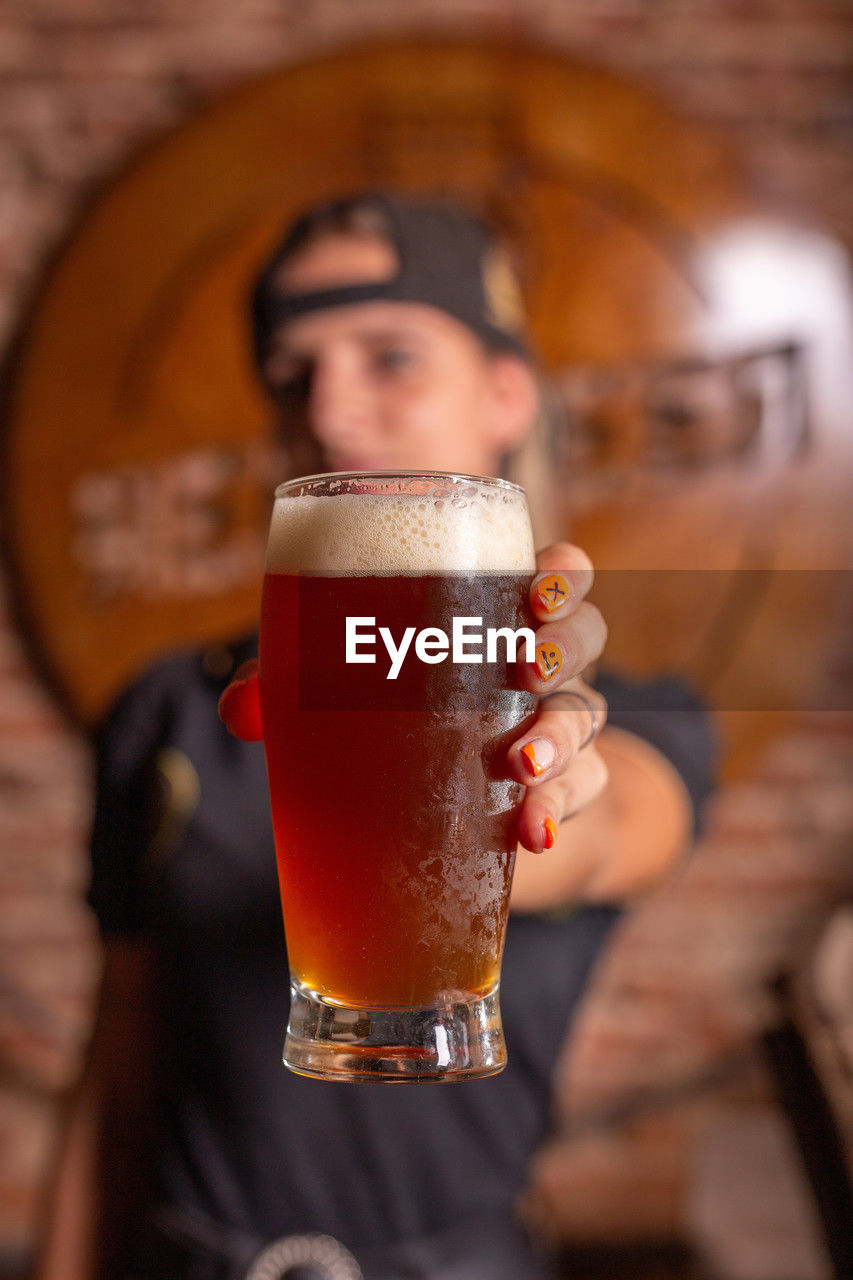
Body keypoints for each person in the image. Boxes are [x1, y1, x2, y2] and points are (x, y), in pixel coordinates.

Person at [36, 191, 714, 1280]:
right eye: (293, 373)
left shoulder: (625, 712)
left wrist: (530, 791)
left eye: (389, 354)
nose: (333, 407)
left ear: (506, 392)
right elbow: (120, 1055)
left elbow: (608, 823)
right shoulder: (167, 708)